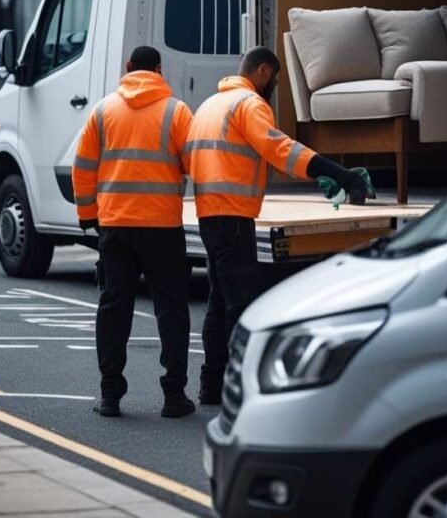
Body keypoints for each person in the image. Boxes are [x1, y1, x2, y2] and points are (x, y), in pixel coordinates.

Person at [185, 45, 374, 405]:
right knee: (243, 306)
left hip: (209, 215)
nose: (274, 85)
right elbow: (279, 149)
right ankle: (242, 390)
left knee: (219, 301)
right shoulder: (249, 104)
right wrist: (340, 174)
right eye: (275, 77)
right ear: (263, 72)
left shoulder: (210, 105)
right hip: (233, 215)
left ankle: (211, 385)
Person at [72, 45, 195, 419]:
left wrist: (88, 216)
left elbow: (83, 167)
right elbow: (193, 162)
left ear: (128, 68)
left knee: (114, 307)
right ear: (158, 69)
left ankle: (110, 394)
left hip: (115, 226)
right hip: (162, 226)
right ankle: (174, 396)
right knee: (171, 308)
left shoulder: (104, 110)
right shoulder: (177, 111)